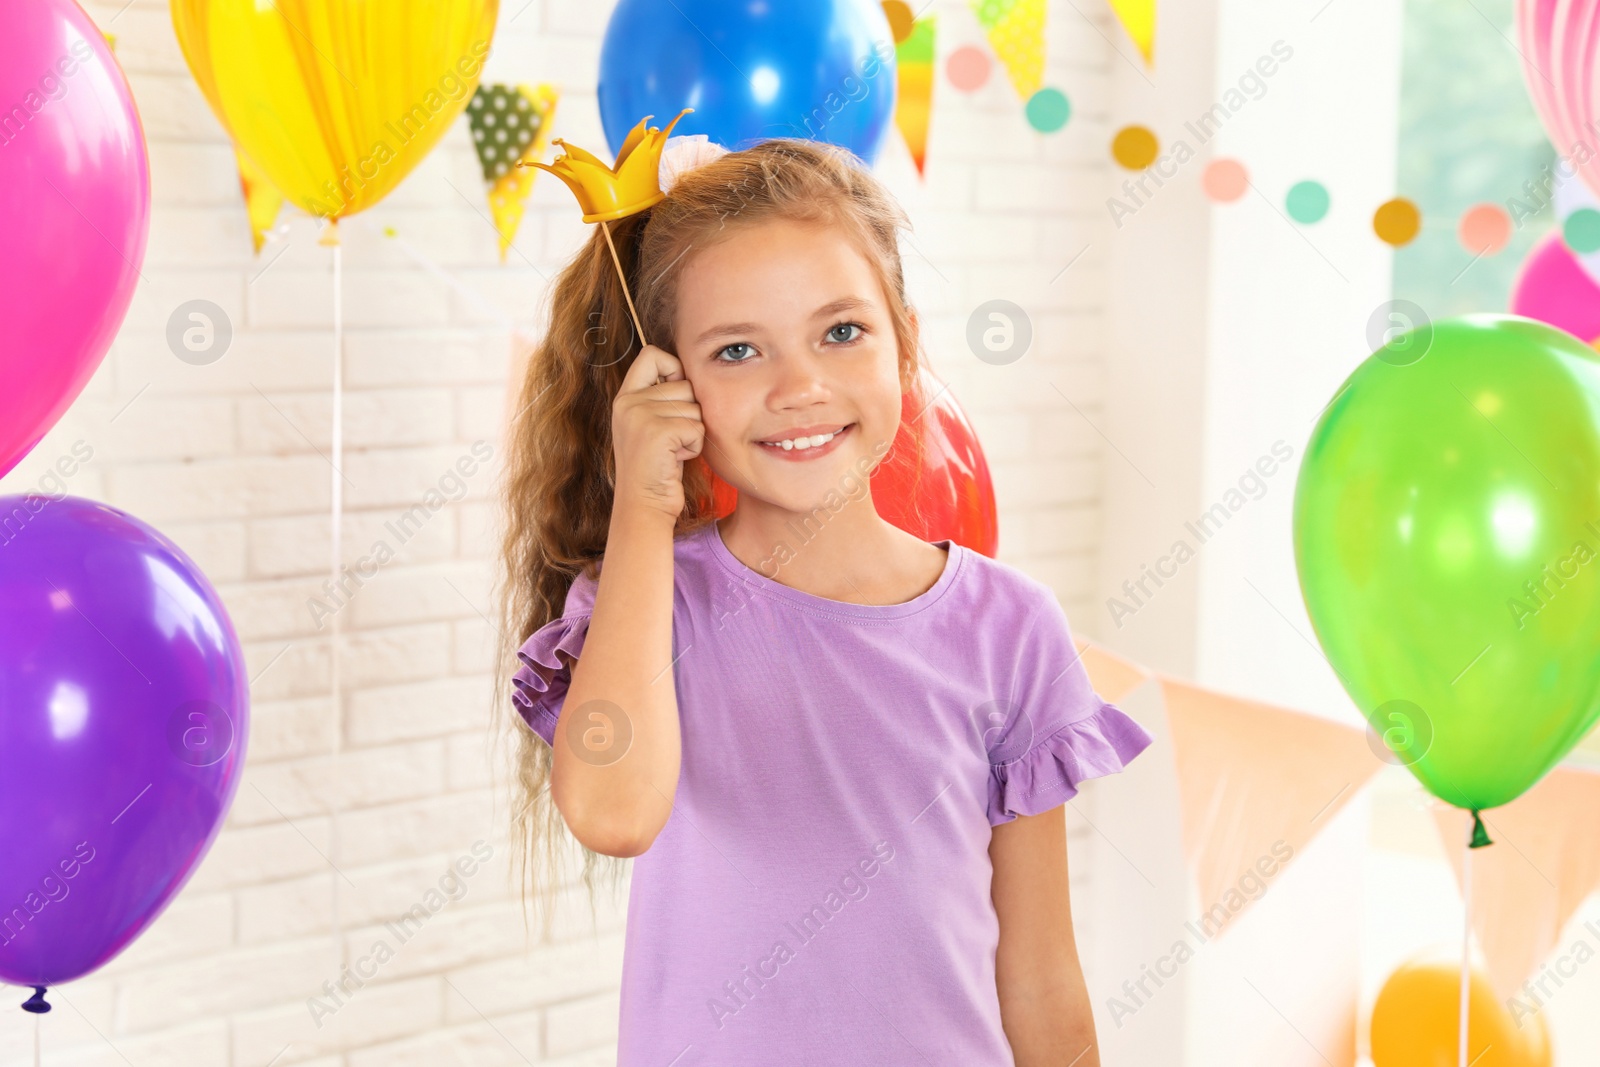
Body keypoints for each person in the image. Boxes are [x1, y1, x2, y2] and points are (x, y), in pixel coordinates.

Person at [494, 134, 1153, 1065]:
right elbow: (612, 812)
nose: (799, 387)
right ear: (670, 384)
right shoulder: (649, 606)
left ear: (904, 342)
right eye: (735, 350)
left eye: (840, 331)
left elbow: (1041, 974)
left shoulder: (1012, 630)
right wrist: (645, 505)